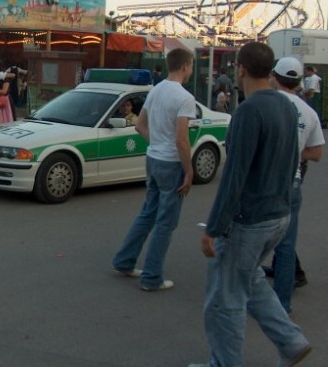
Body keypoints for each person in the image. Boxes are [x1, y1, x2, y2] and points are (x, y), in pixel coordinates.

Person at [190, 42, 312, 367]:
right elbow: (292, 164)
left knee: (225, 302)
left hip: (250, 220)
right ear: (270, 71)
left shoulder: (248, 111)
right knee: (251, 278)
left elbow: (234, 176)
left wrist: (213, 229)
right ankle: (291, 341)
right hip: (279, 215)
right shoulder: (289, 106)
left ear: (240, 68)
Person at [111, 47, 195, 291]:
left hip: (153, 158)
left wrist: (156, 142)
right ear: (185, 66)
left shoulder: (156, 90)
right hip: (171, 162)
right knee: (166, 222)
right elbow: (182, 138)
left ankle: (125, 260)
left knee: (148, 213)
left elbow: (140, 126)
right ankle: (151, 276)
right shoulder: (184, 98)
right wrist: (189, 171)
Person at [267, 57, 324, 314]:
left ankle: (245, 297)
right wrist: (296, 152)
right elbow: (316, 152)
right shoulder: (308, 112)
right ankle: (282, 304)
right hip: (293, 184)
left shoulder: (268, 105)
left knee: (251, 240)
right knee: (287, 244)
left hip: (265, 183)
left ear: (274, 77)